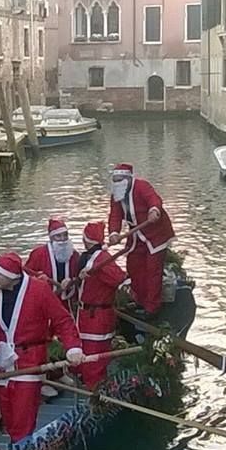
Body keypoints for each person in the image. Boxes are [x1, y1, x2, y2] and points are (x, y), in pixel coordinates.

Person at [0, 252, 83, 442]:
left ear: (11, 277)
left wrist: (73, 348)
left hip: (30, 361)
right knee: (9, 418)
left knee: (23, 418)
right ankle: (16, 448)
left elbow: (63, 320)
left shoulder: (39, 290)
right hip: (3, 364)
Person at [108, 163, 174, 315]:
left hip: (155, 232)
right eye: (115, 180)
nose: (117, 183)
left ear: (128, 178)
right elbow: (115, 215)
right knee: (133, 266)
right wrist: (113, 233)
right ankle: (140, 300)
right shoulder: (117, 194)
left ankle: (152, 307)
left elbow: (154, 199)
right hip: (136, 235)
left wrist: (154, 210)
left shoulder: (142, 186)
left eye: (119, 180)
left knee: (153, 270)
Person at [75, 221, 128, 388]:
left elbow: (120, 279)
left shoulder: (100, 261)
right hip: (91, 315)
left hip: (95, 317)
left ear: (86, 240)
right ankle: (90, 382)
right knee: (92, 354)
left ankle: (94, 391)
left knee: (94, 355)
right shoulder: (95, 258)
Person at [26, 218, 80, 310]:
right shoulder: (38, 254)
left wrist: (71, 281)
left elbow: (79, 277)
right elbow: (26, 275)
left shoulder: (74, 255)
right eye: (58, 236)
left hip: (67, 302)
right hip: (44, 302)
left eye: (65, 235)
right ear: (51, 238)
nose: (62, 239)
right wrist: (38, 280)